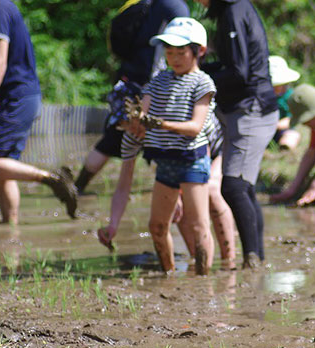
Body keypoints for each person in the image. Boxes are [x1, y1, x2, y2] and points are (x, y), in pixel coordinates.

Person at [177, 0, 279, 268]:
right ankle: (256, 257)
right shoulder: (232, 9)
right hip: (249, 108)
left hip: (253, 109)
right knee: (242, 188)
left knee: (233, 186)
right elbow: (234, 65)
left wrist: (199, 79)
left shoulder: (234, 12)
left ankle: (252, 260)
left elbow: (239, 73)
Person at [0, 0, 77, 223]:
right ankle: (11, 229)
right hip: (24, 96)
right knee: (3, 168)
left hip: (18, 97)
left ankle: (53, 179)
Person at [74, 0, 189, 194]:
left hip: (128, 79)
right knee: (163, 140)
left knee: (114, 139)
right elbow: (185, 46)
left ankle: (77, 187)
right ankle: (176, 193)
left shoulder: (147, 1)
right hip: (152, 86)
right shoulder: (176, 6)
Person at [98, 101, 238, 270]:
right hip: (181, 160)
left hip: (213, 149)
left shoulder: (168, 123)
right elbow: (123, 186)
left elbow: (200, 156)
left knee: (210, 191)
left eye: (133, 125)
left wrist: (179, 193)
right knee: (174, 207)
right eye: (124, 127)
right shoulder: (131, 137)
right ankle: (197, 261)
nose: (133, 132)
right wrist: (113, 224)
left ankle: (228, 262)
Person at [126, 17, 216, 274]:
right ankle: (169, 274)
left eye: (181, 52)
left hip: (191, 160)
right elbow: (142, 115)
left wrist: (160, 124)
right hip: (165, 160)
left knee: (198, 226)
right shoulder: (158, 80)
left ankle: (203, 280)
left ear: (198, 51)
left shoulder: (203, 83)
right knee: (156, 225)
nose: (174, 58)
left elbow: (195, 127)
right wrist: (136, 122)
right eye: (169, 52)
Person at [268, 55, 302, 150]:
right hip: (261, 131)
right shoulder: (260, 97)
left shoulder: (289, 96)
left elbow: (291, 119)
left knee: (292, 136)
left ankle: (283, 148)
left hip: (279, 130)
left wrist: (274, 125)